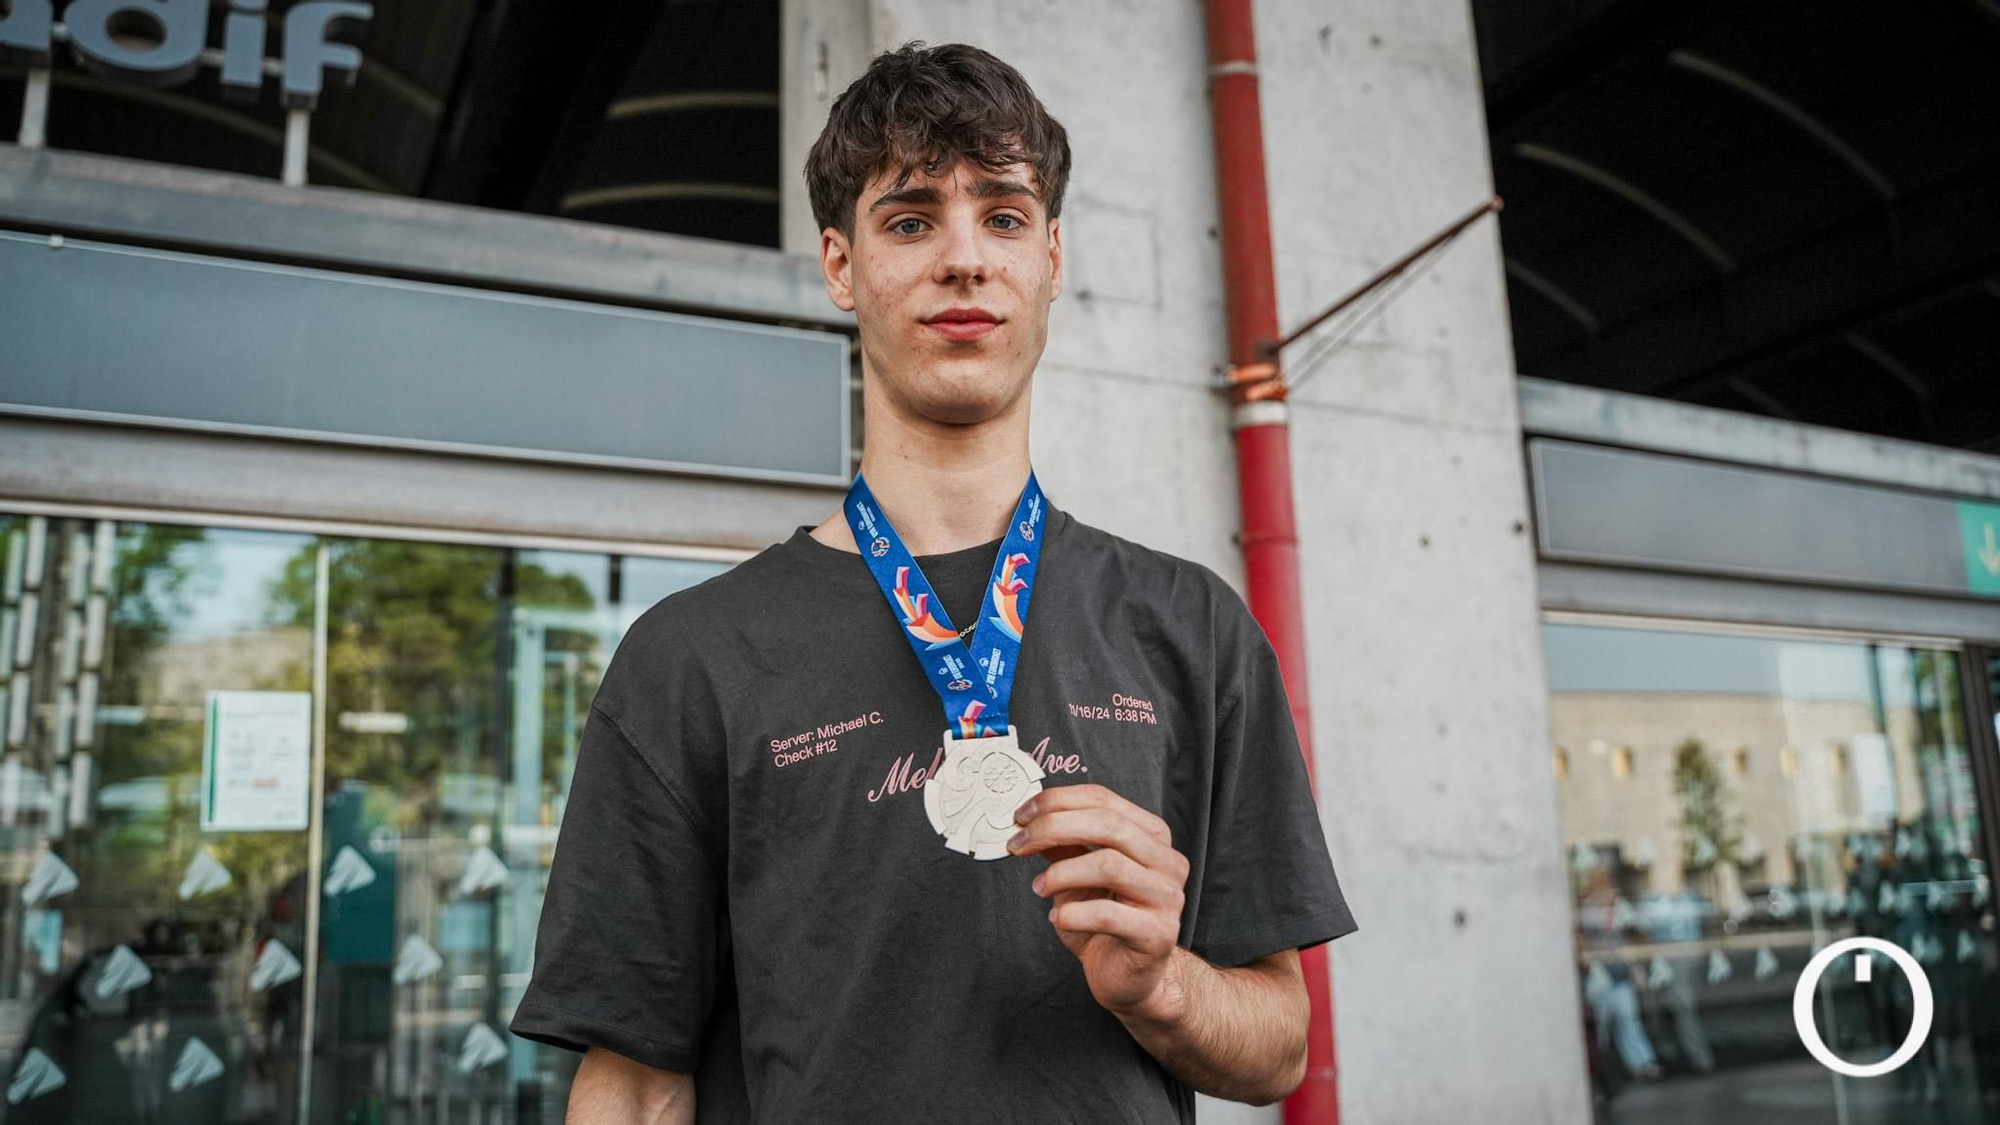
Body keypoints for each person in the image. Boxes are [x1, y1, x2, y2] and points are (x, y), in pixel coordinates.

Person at [507, 41, 1357, 1124]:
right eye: (910, 220)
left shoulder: (1188, 627)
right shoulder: (692, 657)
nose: (964, 258)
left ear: (1052, 256)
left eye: (1002, 216)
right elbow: (631, 1085)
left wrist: (1161, 984)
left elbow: (1276, 1046)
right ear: (839, 265)